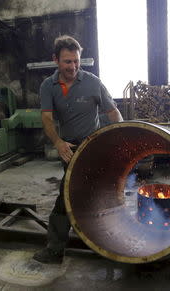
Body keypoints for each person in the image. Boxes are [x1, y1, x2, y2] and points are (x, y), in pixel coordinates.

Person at [33, 35, 123, 264]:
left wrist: (120, 140)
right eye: (67, 62)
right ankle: (98, 237)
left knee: (70, 193)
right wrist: (58, 142)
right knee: (77, 192)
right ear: (56, 60)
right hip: (69, 148)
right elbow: (46, 118)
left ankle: (57, 249)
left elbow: (113, 113)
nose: (72, 67)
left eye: (75, 61)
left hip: (92, 144)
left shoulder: (93, 82)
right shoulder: (48, 86)